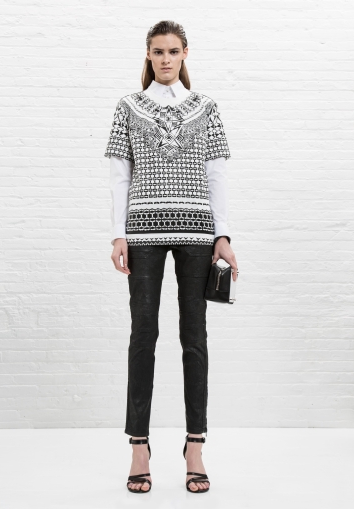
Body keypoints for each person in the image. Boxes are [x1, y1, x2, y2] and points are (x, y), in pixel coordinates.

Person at [104, 20, 238, 494]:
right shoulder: (128, 107)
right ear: (148, 54)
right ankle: (138, 446)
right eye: (158, 51)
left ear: (184, 54)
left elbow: (217, 174)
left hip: (197, 232)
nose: (165, 59)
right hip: (142, 230)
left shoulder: (206, 107)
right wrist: (117, 235)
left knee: (194, 337)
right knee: (143, 334)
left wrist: (223, 234)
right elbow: (120, 175)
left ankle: (195, 445)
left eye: (173, 51)